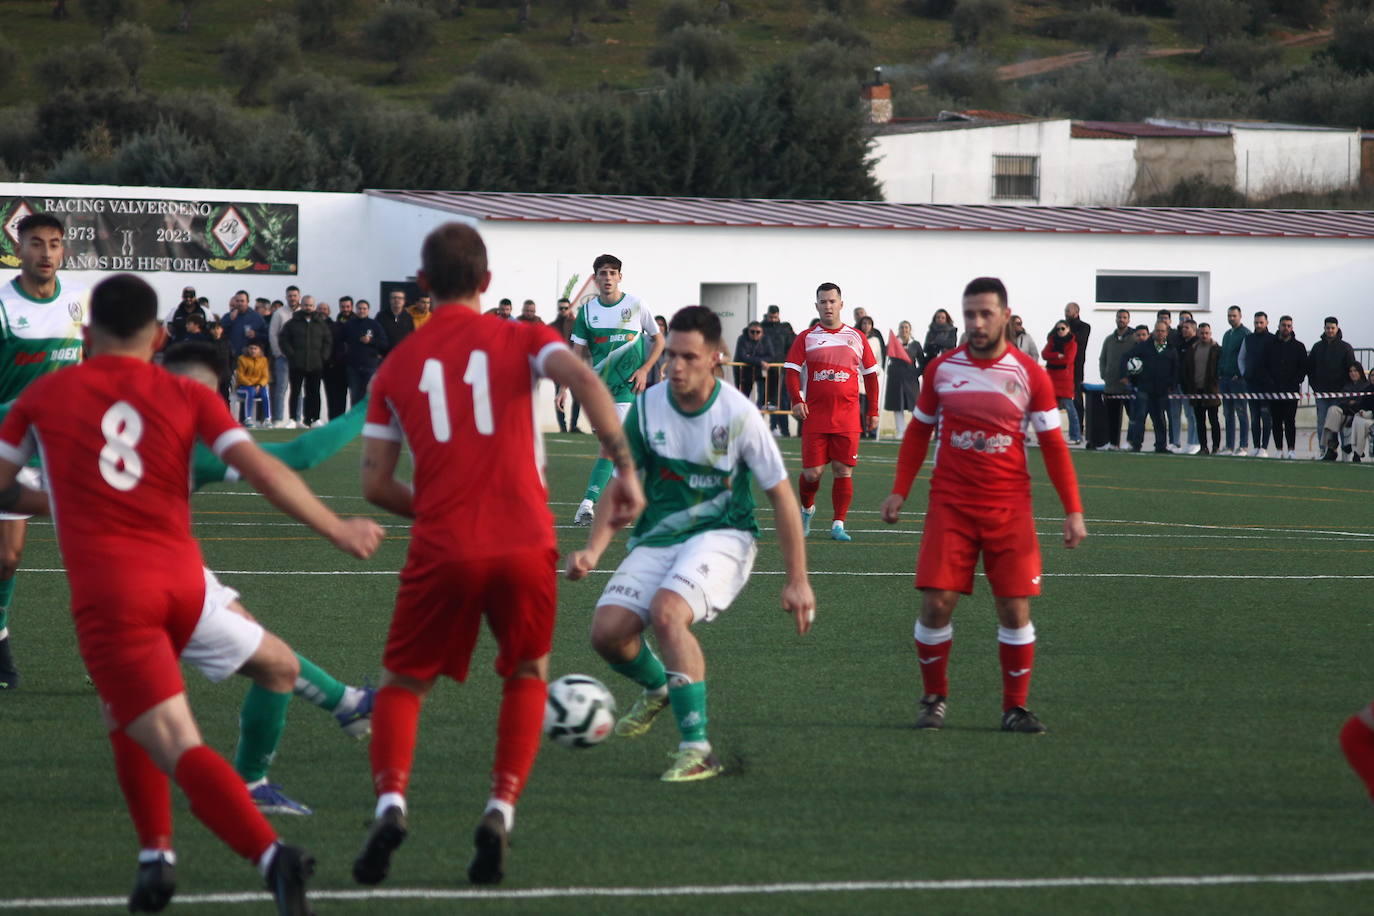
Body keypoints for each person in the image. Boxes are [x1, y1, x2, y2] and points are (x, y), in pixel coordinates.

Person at [0, 273, 384, 914]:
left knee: (174, 739)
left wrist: (61, 499)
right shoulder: (186, 395)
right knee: (127, 713)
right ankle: (156, 857)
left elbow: (2, 489)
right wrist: (337, 528)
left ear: (87, 335)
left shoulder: (42, 400)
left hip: (115, 597)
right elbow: (269, 467)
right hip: (184, 586)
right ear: (157, 337)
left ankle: (271, 855)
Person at [353, 223, 643, 888]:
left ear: (421, 287)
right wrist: (623, 467)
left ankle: (393, 802)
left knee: (403, 681)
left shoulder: (398, 365)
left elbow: (373, 482)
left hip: (443, 543)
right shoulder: (522, 336)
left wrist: (436, 511)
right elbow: (589, 384)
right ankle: (499, 808)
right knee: (526, 672)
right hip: (523, 541)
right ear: (488, 284)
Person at [566, 305, 814, 782]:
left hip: (726, 537)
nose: (675, 367)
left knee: (666, 612)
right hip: (660, 536)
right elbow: (623, 480)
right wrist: (594, 549)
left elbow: (782, 496)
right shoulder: (649, 404)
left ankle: (697, 748)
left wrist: (797, 580)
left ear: (716, 359)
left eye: (688, 358)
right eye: (670, 356)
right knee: (608, 633)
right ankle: (660, 687)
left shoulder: (739, 415)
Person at [881, 277, 1084, 735]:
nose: (976, 322)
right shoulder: (942, 369)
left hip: (1009, 509)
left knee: (1014, 609)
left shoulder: (1030, 375)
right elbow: (918, 432)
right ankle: (934, 697)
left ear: (1006, 316)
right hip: (950, 505)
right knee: (937, 603)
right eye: (969, 313)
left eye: (985, 314)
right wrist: (900, 489)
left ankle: (1015, 707)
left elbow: (1053, 445)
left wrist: (1073, 509)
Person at [0, 213, 89, 690]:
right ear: (19, 248)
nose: (47, 253)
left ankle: (122, 655)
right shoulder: (2, 304)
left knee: (100, 549)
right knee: (8, 559)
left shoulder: (78, 302)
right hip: (9, 446)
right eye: (37, 244)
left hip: (65, 447)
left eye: (55, 244)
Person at [568, 254, 664, 527]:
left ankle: (588, 504)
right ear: (595, 278)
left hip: (626, 390)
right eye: (603, 273)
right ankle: (614, 500)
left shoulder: (636, 305)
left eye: (612, 272)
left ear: (620, 276)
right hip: (599, 391)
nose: (608, 277)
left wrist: (645, 369)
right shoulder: (587, 313)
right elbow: (577, 355)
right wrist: (566, 387)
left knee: (612, 447)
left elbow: (658, 340)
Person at [785, 283, 879, 542]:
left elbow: (871, 376)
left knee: (843, 469)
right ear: (817, 306)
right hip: (815, 415)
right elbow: (792, 370)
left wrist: (873, 410)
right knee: (812, 473)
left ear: (841, 304)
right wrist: (796, 399)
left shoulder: (856, 337)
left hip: (847, 415)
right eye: (823, 302)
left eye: (832, 301)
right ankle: (807, 510)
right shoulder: (806, 337)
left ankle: (838, 524)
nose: (828, 306)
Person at [1123, 321, 1178, 453]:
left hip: (1161, 390)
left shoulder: (1171, 349)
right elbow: (1126, 357)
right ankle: (1136, 444)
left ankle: (1160, 445)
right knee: (1140, 417)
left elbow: (1176, 369)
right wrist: (1127, 376)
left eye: (1162, 331)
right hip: (1144, 387)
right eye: (1157, 331)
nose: (1160, 333)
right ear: (1153, 332)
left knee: (1159, 418)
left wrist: (1172, 384)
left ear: (1167, 333)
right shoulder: (1144, 347)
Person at [1308, 316, 1358, 455]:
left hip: (1340, 395)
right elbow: (1310, 369)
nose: (1330, 330)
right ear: (1324, 328)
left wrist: (1346, 391)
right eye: (1327, 328)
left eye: (1332, 328)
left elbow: (1351, 370)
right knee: (1322, 423)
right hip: (1321, 394)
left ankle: (1345, 452)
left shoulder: (1346, 348)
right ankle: (1324, 450)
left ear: (1337, 328)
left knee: (1341, 423)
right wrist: (1315, 387)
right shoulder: (1317, 347)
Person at [280, 296, 331, 429]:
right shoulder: (292, 323)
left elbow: (328, 341)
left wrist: (323, 357)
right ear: (301, 306)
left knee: (314, 392)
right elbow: (283, 340)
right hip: (297, 364)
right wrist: (292, 355)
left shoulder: (321, 323)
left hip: (316, 364)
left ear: (314, 307)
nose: (308, 308)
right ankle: (293, 419)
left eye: (310, 305)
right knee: (295, 391)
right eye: (305, 305)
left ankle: (313, 419)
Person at [1266, 315, 1306, 460]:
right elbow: (1265, 366)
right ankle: (1278, 449)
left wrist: (1295, 382)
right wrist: (1271, 383)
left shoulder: (1299, 347)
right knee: (1276, 421)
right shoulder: (1270, 345)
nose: (1286, 328)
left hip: (1291, 391)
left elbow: (1303, 368)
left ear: (1292, 327)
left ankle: (1291, 449)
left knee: (1290, 421)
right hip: (1274, 391)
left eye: (1289, 325)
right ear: (1278, 326)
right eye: (1283, 325)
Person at [1239, 311, 1276, 457]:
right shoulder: (1248, 339)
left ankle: (1264, 448)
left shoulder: (1273, 339)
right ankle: (1255, 446)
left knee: (1266, 416)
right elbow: (1241, 358)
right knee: (1254, 417)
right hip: (1252, 384)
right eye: (1256, 323)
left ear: (1267, 323)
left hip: (1267, 385)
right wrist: (1245, 373)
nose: (1258, 325)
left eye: (1261, 322)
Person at [1098, 309, 1134, 451]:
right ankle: (1113, 443)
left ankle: (1131, 443)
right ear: (1116, 319)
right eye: (1119, 317)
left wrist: (1131, 379)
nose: (1122, 320)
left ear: (1128, 320)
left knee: (1132, 417)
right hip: (1111, 386)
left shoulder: (1133, 339)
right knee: (1112, 417)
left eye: (1124, 317)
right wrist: (1104, 374)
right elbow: (1103, 358)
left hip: (1127, 387)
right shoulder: (1109, 339)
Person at [1320, 363, 1372, 461]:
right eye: (1351, 371)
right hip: (1345, 413)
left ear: (1360, 372)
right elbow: (1342, 401)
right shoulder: (1346, 386)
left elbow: (1363, 403)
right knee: (1333, 410)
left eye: (1355, 371)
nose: (1353, 373)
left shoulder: (1367, 386)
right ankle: (1332, 446)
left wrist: (1353, 402)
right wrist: (1351, 402)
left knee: (1358, 419)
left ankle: (1356, 453)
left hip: (1359, 415)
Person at [1183, 322, 1221, 454]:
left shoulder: (1217, 349)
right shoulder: (1193, 349)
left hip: (1211, 390)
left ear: (1210, 334)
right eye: (1202, 333)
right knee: (1200, 421)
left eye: (1206, 333)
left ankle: (1216, 447)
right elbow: (1187, 369)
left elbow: (1219, 369)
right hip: (1196, 390)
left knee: (1214, 420)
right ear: (1198, 334)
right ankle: (1203, 447)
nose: (1204, 335)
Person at [1217, 305, 1250, 456]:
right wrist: (1220, 372)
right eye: (1229, 315)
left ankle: (1243, 446)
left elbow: (1246, 357)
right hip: (1225, 379)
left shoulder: (1245, 334)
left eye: (1234, 316)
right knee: (1227, 413)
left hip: (1239, 381)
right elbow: (1223, 355)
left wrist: (1240, 373)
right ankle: (1229, 446)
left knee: (1241, 412)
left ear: (1240, 316)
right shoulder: (1226, 334)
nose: (1231, 318)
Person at [1043, 320, 1081, 444]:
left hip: (1065, 380)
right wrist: (1056, 355)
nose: (1060, 331)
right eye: (1058, 329)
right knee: (1049, 409)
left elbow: (1068, 360)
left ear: (1068, 329)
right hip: (1051, 379)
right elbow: (1044, 354)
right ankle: (1048, 436)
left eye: (1063, 328)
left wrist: (1053, 358)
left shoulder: (1072, 343)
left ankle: (1075, 436)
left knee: (1070, 409)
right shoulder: (1052, 340)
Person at [760, 305, 796, 437]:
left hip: (781, 370)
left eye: (775, 317)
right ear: (767, 315)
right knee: (763, 400)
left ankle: (783, 429)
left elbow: (791, 346)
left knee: (783, 401)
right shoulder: (761, 328)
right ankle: (759, 429)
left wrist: (787, 363)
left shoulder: (784, 329)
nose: (773, 320)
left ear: (778, 315)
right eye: (771, 317)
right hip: (765, 370)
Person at [344, 300, 388, 406]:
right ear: (356, 309)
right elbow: (341, 341)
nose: (362, 311)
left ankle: (367, 420)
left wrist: (371, 341)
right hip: (353, 367)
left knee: (369, 397)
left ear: (368, 310)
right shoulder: (349, 325)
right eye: (359, 308)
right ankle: (355, 422)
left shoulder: (375, 325)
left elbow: (384, 343)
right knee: (355, 396)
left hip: (370, 366)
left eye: (364, 309)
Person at [884, 320, 922, 440]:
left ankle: (915, 431)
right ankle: (901, 431)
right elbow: (885, 360)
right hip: (895, 378)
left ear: (910, 330)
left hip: (911, 378)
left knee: (914, 405)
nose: (904, 330)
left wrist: (916, 373)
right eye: (902, 327)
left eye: (906, 328)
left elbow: (922, 361)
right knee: (897, 405)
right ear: (898, 329)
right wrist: (889, 372)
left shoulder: (915, 344)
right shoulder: (892, 343)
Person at [268, 286, 299, 424]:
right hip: (283, 358)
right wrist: (278, 353)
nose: (292, 298)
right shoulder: (279, 313)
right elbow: (273, 334)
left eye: (294, 295)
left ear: (299, 296)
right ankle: (278, 419)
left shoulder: (304, 313)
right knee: (281, 389)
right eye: (290, 296)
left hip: (299, 359)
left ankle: (298, 419)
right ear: (286, 297)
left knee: (298, 390)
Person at [550, 297, 581, 433]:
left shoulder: (577, 325)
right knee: (559, 397)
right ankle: (563, 428)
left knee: (578, 397)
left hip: (574, 366)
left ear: (570, 308)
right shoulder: (553, 326)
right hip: (559, 367)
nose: (563, 310)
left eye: (565, 308)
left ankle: (573, 426)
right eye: (561, 308)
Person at [1173, 319, 1201, 454]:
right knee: (1189, 415)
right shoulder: (1181, 344)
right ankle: (1190, 442)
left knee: (1195, 415)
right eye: (1183, 327)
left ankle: (1196, 442)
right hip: (1182, 384)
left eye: (1187, 328)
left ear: (1194, 330)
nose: (1184, 330)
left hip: (1193, 386)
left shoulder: (1196, 344)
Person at [1064, 301, 1091, 433]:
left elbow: (1077, 339)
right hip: (1061, 368)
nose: (1066, 313)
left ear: (1076, 312)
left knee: (1077, 397)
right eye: (1065, 311)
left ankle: (1079, 428)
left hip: (1076, 367)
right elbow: (1051, 337)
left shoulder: (1084, 327)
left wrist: (1065, 333)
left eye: (1068, 311)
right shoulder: (1062, 326)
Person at [732, 321, 773, 406]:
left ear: (762, 332)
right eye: (752, 331)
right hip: (744, 372)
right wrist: (760, 361)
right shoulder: (742, 339)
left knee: (763, 396)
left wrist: (752, 359)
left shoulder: (766, 339)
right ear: (748, 331)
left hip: (760, 371)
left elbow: (771, 356)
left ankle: (757, 416)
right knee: (743, 397)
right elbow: (742, 357)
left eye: (758, 332)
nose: (755, 334)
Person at [856, 316, 884, 439]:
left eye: (868, 323)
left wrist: (877, 369)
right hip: (858, 377)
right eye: (864, 323)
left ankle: (872, 431)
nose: (866, 326)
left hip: (871, 376)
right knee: (859, 407)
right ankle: (861, 430)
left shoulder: (875, 340)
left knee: (872, 405)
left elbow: (879, 359)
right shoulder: (856, 338)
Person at [236, 341, 273, 427]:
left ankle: (267, 419)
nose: (253, 351)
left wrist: (259, 385)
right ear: (248, 349)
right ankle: (247, 418)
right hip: (243, 387)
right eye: (251, 348)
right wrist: (251, 384)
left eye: (255, 349)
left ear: (260, 350)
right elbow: (240, 376)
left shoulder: (263, 360)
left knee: (265, 392)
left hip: (258, 386)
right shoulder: (242, 359)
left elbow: (265, 376)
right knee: (250, 391)